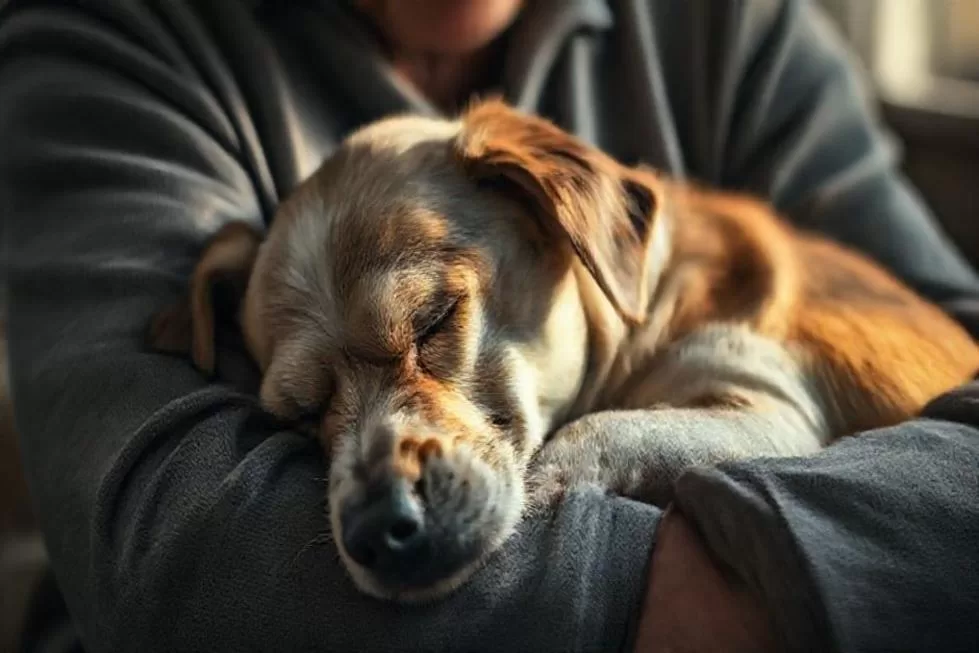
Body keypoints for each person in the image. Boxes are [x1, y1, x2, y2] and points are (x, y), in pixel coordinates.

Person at [2, 0, 978, 651]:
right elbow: (174, 551)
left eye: (432, 323)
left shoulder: (734, 25)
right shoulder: (107, 42)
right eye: (308, 413)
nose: (375, 485)